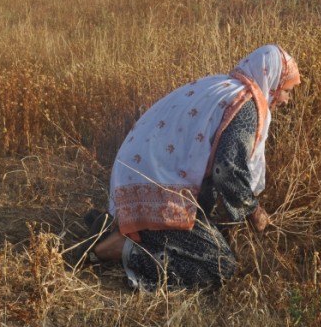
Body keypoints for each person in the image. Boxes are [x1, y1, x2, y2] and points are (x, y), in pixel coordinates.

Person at [71, 44, 300, 290]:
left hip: (140, 180)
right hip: (159, 192)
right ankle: (119, 248)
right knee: (221, 266)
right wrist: (254, 212)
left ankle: (122, 227)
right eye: (286, 90)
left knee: (210, 240)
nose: (286, 100)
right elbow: (226, 171)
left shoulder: (222, 87)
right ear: (271, 81)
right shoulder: (245, 106)